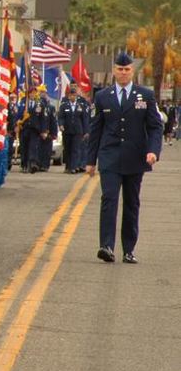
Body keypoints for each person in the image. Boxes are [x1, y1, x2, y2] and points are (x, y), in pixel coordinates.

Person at [87, 52, 163, 264]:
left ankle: (128, 249)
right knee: (109, 199)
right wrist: (90, 161)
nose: (123, 73)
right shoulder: (103, 96)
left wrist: (153, 151)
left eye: (127, 69)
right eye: (119, 69)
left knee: (131, 203)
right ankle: (106, 246)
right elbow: (96, 131)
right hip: (110, 156)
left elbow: (155, 127)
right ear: (114, 71)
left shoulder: (145, 96)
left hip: (135, 158)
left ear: (132, 71)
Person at [58, 84, 90, 173]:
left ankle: (73, 167)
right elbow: (60, 117)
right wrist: (61, 125)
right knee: (67, 149)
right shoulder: (64, 105)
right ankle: (68, 166)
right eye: (71, 95)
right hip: (67, 131)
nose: (72, 96)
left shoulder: (81, 105)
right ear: (69, 96)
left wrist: (86, 131)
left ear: (76, 96)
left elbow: (85, 118)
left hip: (77, 131)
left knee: (75, 149)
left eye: (74, 95)